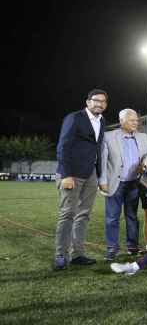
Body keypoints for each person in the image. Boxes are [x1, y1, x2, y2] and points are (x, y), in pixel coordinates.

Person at [53, 89, 108, 270]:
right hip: (72, 173)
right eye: (96, 100)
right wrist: (66, 174)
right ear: (88, 102)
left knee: (83, 215)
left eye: (103, 101)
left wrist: (99, 175)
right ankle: (60, 255)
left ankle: (77, 254)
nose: (100, 104)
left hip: (90, 173)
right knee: (67, 214)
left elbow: (97, 149)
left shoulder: (102, 121)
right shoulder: (75, 118)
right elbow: (63, 146)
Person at [100, 109, 147, 260]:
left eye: (136, 120)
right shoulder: (108, 136)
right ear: (121, 121)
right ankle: (111, 249)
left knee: (132, 217)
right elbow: (102, 161)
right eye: (131, 120)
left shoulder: (143, 137)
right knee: (112, 218)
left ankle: (132, 246)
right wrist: (102, 181)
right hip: (115, 183)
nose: (135, 123)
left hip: (135, 184)